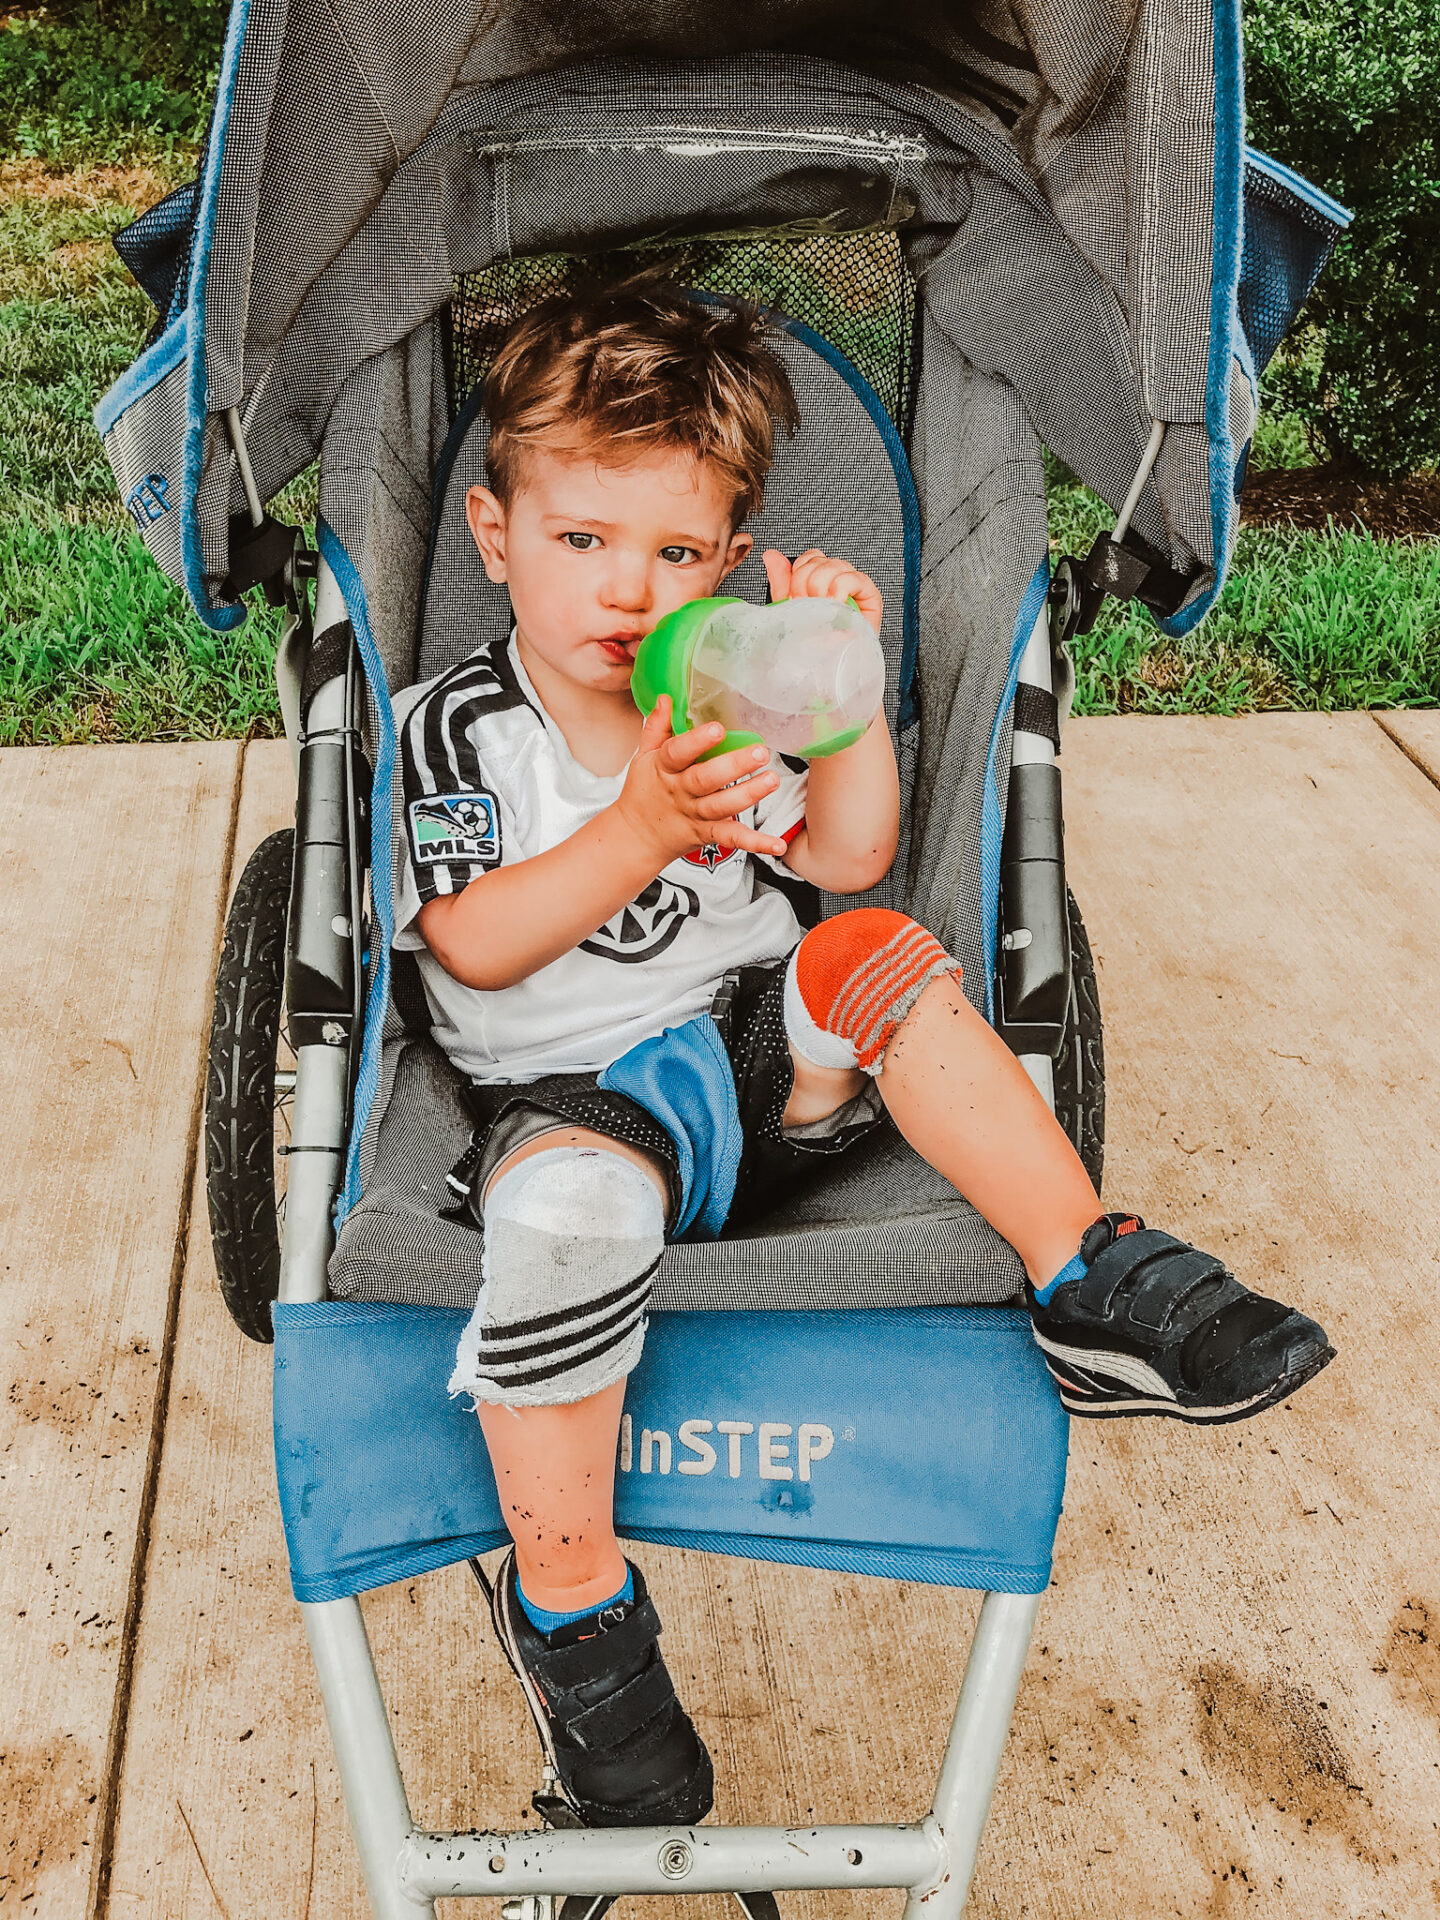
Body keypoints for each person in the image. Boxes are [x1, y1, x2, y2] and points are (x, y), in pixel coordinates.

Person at [391, 280, 1333, 1830]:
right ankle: (578, 1624)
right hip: (572, 1103)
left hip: (771, 1063)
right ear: (497, 538)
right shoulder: (457, 730)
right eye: (584, 542)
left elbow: (851, 854)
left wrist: (839, 705)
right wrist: (637, 827)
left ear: (725, 556)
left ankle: (1087, 1273)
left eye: (679, 552)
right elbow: (478, 947)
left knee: (870, 951)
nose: (632, 591)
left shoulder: (724, 690)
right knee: (563, 1220)